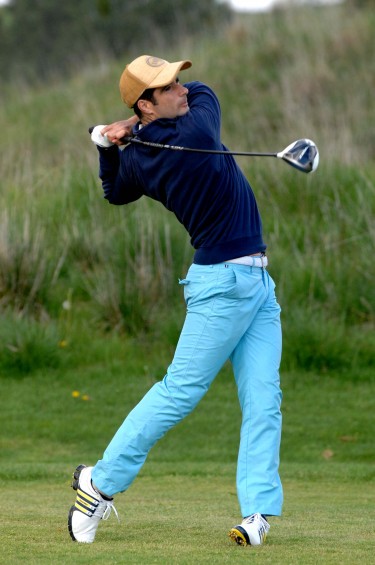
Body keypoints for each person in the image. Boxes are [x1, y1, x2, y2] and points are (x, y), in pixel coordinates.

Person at [68, 54, 283, 547]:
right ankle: (97, 484)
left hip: (255, 286)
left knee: (264, 401)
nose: (184, 89)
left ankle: (256, 512)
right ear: (146, 102)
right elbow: (209, 93)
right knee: (178, 393)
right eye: (169, 87)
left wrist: (108, 142)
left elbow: (115, 191)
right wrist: (129, 129)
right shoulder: (196, 133)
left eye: (178, 80)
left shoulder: (140, 155)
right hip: (222, 285)